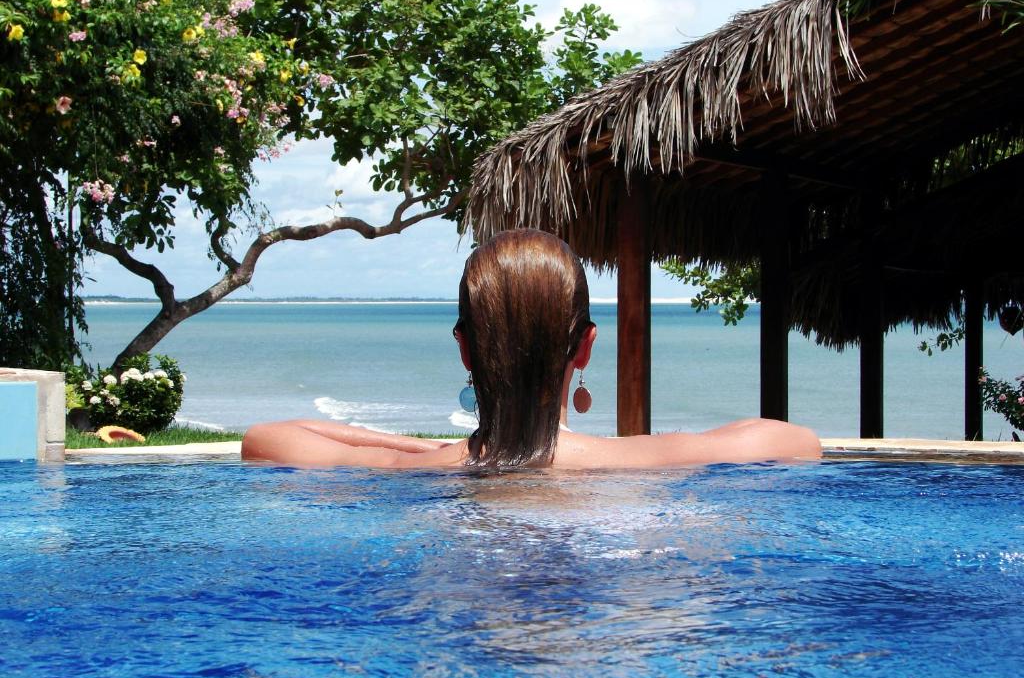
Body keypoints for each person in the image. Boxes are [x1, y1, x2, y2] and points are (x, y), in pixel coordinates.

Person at [242, 229, 821, 468]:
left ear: (465, 350)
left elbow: (264, 437)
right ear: (586, 347)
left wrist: (415, 448)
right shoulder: (646, 460)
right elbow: (799, 441)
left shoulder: (415, 468)